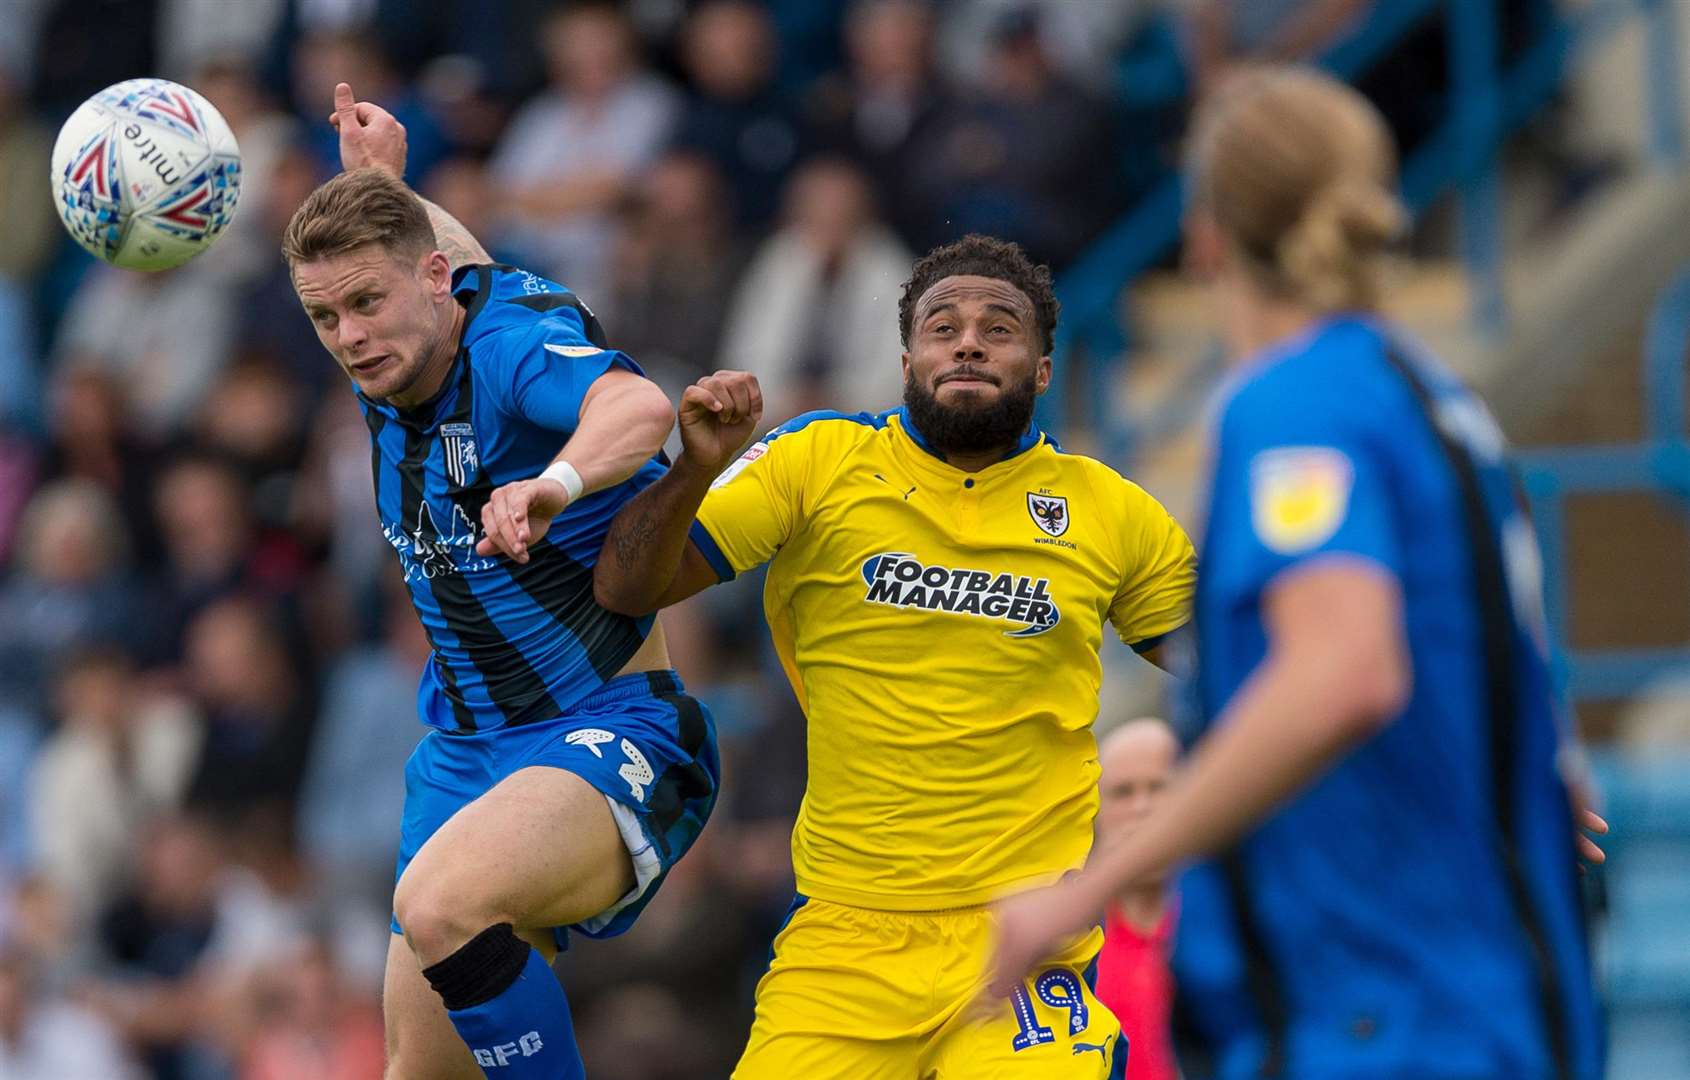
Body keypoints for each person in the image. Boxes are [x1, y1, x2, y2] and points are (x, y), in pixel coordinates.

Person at [988, 66, 1608, 1080]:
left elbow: (1343, 671)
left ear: (1206, 235)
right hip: (1485, 1000)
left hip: (1382, 1015)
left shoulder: (1294, 406)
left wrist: (1085, 889)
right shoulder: (1432, 397)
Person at [593, 232, 1197, 1077]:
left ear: (1045, 368)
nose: (970, 341)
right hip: (845, 939)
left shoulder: (1110, 511)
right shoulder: (820, 462)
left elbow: (1232, 667)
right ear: (908, 359)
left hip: (1027, 942)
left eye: (1001, 327)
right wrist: (692, 470)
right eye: (943, 326)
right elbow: (626, 589)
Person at [284, 84, 719, 1078]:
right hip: (465, 751)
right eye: (324, 317)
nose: (349, 336)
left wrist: (553, 484)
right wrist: (381, 181)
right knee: (418, 1071)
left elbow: (637, 405)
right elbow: (416, 255)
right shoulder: (400, 340)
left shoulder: (512, 346)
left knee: (440, 905)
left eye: (365, 304)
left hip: (607, 728)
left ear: (435, 281)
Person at [1093, 718, 1181, 1080]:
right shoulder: (1071, 943)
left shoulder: (1230, 927)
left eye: (1159, 788)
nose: (1141, 807)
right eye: (1123, 792)